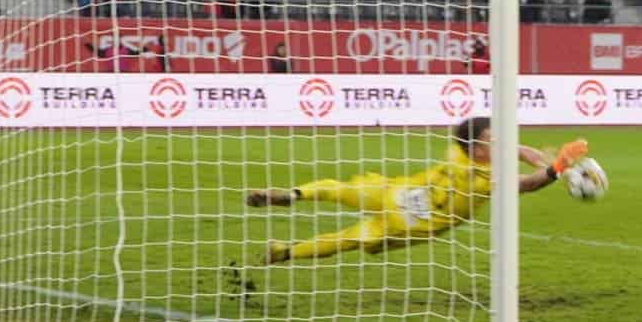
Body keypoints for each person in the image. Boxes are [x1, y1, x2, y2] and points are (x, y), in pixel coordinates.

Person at [245, 117, 587, 264]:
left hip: (397, 193)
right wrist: (556, 168)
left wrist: (549, 160)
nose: (497, 141)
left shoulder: (458, 150)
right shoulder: (483, 180)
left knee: (339, 189)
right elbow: (527, 184)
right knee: (345, 239)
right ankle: (285, 251)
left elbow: (517, 149)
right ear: (477, 149)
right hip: (410, 224)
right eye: (490, 139)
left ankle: (294, 195)